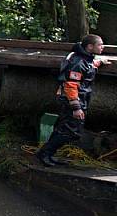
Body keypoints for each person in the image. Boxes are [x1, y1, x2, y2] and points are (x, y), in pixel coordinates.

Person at [36, 34, 111, 167]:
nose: (102, 47)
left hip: (79, 99)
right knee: (71, 131)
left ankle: (47, 154)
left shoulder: (85, 59)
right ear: (90, 47)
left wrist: (100, 62)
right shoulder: (78, 62)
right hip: (72, 100)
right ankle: (44, 153)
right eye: (100, 45)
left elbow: (89, 66)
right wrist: (76, 107)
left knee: (65, 128)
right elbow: (71, 85)